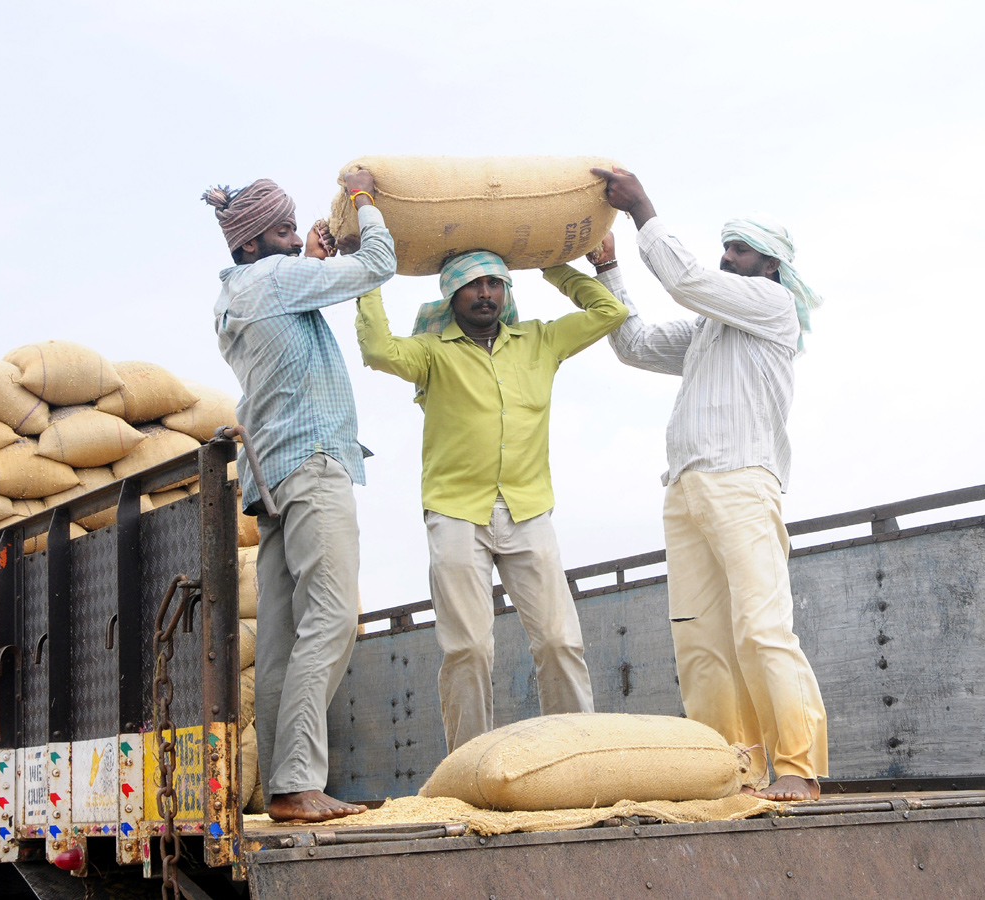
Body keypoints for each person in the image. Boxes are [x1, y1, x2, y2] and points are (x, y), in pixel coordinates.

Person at [581, 164, 828, 802]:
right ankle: (732, 774)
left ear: (771, 266)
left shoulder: (772, 307)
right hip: (686, 487)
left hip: (743, 479)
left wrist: (641, 209)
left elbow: (689, 280)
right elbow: (632, 345)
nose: (728, 257)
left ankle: (798, 770)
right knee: (700, 637)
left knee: (762, 628)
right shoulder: (706, 332)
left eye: (740, 249)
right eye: (726, 247)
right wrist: (607, 272)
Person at [356, 250, 627, 753]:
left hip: (529, 511)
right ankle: (470, 768)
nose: (486, 294)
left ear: (507, 292)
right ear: (451, 296)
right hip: (456, 512)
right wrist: (368, 279)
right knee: (469, 648)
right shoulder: (432, 352)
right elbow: (376, 349)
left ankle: (577, 757)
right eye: (473, 285)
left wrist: (551, 263)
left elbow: (611, 313)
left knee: (559, 640)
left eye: (495, 284)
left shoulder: (540, 341)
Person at [202, 172, 395, 821]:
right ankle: (299, 780)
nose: (295, 237)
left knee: (283, 638)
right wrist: (364, 202)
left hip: (271, 477)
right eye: (283, 230)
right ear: (253, 243)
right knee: (334, 616)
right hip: (312, 465)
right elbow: (378, 263)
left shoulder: (239, 294)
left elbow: (290, 315)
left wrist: (306, 260)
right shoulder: (278, 281)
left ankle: (287, 789)